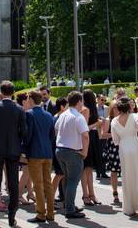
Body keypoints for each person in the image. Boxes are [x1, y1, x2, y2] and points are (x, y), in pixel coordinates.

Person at [0, 81, 27, 227]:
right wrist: (17, 140)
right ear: (13, 91)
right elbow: (24, 131)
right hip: (14, 149)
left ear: (1, 92)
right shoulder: (20, 109)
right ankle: (11, 217)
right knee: (13, 183)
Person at [111, 97, 138, 218]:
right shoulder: (135, 117)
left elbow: (115, 140)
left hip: (124, 148)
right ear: (129, 107)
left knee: (127, 177)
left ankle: (129, 207)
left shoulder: (114, 121)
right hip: (135, 146)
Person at [54, 91, 89, 220]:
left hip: (60, 150)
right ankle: (70, 209)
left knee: (67, 179)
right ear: (79, 101)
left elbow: (56, 128)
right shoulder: (78, 116)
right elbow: (85, 135)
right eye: (82, 102)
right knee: (73, 180)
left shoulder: (63, 114)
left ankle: (69, 205)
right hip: (73, 151)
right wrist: (85, 152)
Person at [24, 90, 57, 223]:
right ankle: (50, 213)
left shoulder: (29, 114)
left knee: (38, 184)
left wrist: (24, 150)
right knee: (47, 184)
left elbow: (28, 135)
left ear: (31, 100)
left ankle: (41, 213)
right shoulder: (49, 115)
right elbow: (51, 135)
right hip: (47, 152)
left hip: (35, 153)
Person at [80, 89, 103, 206]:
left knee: (89, 169)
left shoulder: (90, 109)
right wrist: (97, 124)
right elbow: (84, 128)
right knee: (85, 169)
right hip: (87, 138)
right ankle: (85, 194)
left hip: (93, 138)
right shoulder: (85, 110)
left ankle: (91, 194)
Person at [100, 101, 121, 204]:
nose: (117, 109)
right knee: (114, 171)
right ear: (112, 109)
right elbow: (103, 135)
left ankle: (127, 193)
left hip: (123, 146)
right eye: (115, 107)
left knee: (125, 171)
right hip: (113, 147)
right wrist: (114, 135)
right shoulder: (109, 120)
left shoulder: (124, 118)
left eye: (119, 107)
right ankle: (115, 193)